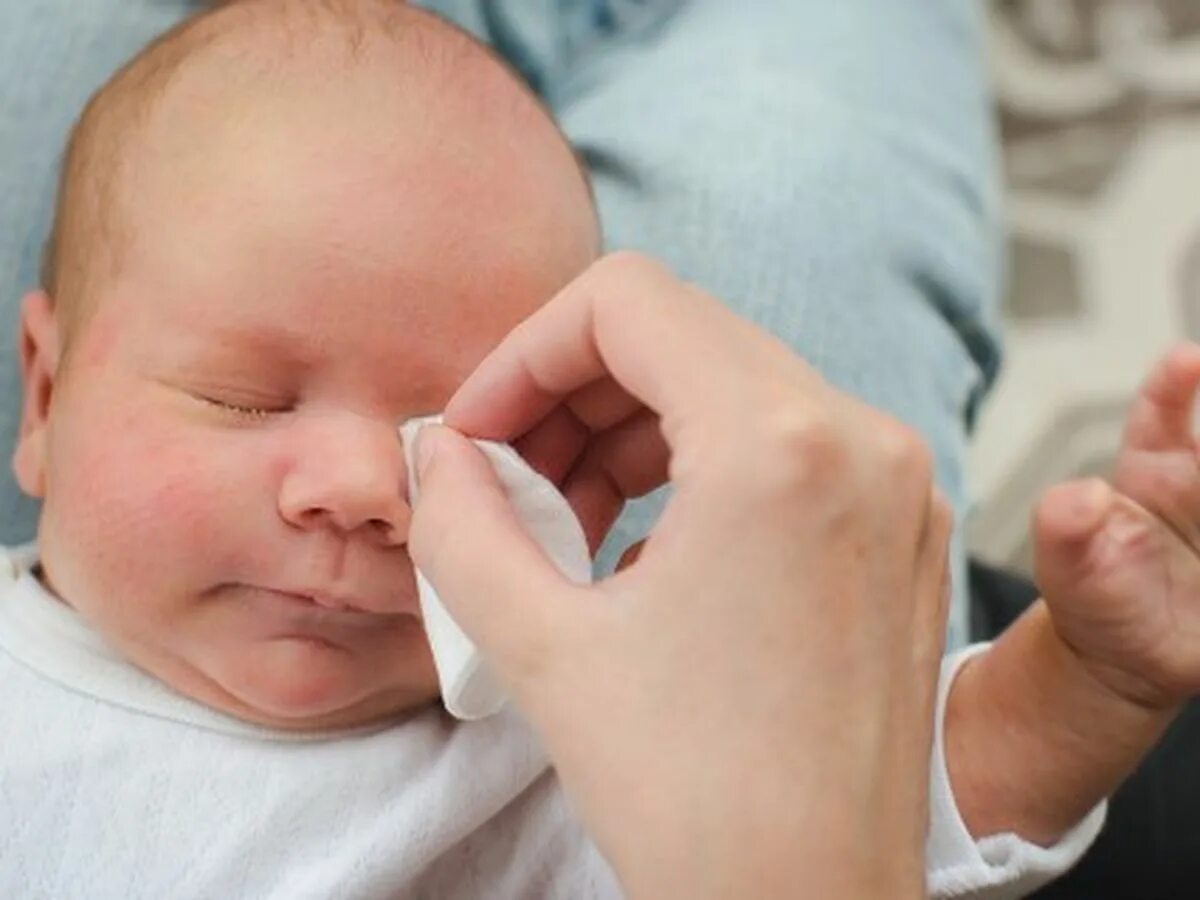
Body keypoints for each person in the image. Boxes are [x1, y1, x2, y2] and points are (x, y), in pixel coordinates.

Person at [4, 3, 1196, 897]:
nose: (369, 490)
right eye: (245, 399)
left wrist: (1082, 683)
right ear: (44, 398)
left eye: (459, 437)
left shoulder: (557, 729)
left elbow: (880, 801)